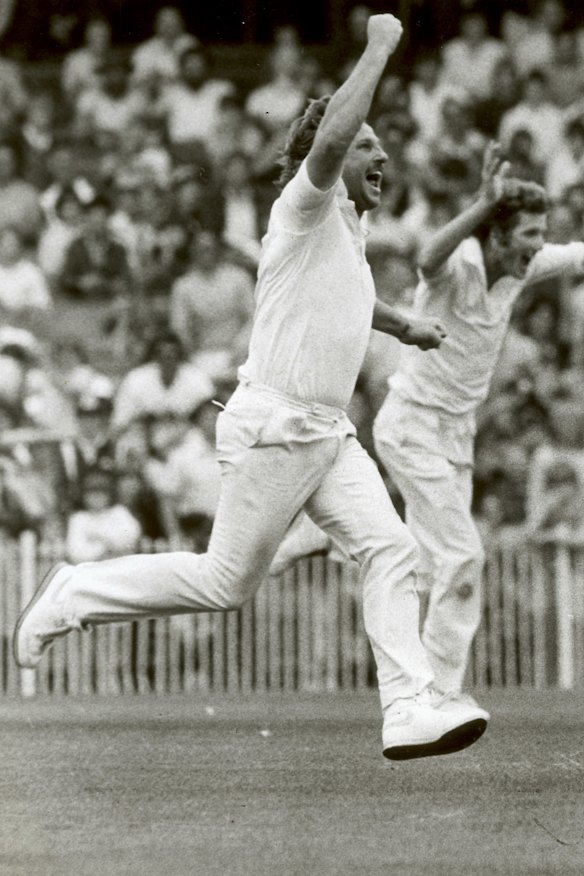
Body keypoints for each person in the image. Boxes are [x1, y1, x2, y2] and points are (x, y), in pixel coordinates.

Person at [14, 15, 488, 761]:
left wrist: (405, 327)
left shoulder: (347, 233)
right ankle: (73, 593)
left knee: (392, 547)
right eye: (367, 143)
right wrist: (378, 47)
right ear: (326, 153)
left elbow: (348, 299)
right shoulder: (304, 204)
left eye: (380, 144)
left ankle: (406, 707)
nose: (383, 153)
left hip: (326, 432)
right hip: (275, 426)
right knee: (223, 584)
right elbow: (331, 139)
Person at [372, 142, 584, 699]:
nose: (536, 245)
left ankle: (330, 539)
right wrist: (482, 204)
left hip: (455, 439)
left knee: (431, 566)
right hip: (412, 425)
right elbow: (426, 257)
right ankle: (438, 695)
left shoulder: (521, 266)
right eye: (529, 233)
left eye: (541, 234)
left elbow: (576, 255)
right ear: (496, 234)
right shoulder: (460, 263)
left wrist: (529, 234)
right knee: (463, 555)